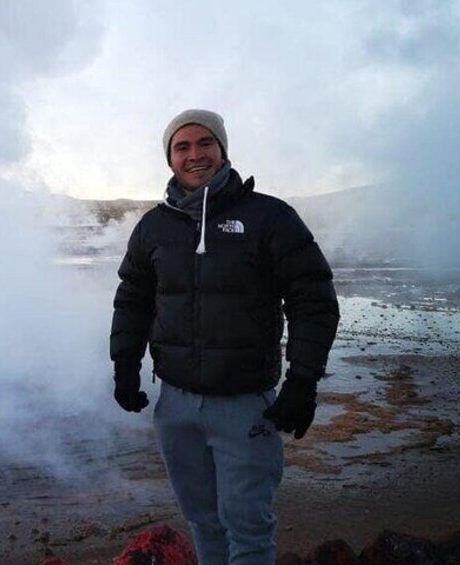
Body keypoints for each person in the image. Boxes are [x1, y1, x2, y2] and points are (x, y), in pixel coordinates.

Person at [110, 109, 339, 565]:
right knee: (202, 519)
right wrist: (124, 365)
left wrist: (302, 381)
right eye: (182, 146)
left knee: (247, 527)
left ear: (222, 149)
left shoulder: (269, 217)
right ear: (170, 159)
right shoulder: (154, 227)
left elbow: (312, 299)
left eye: (204, 143)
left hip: (244, 405)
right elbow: (133, 298)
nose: (195, 155)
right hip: (174, 406)